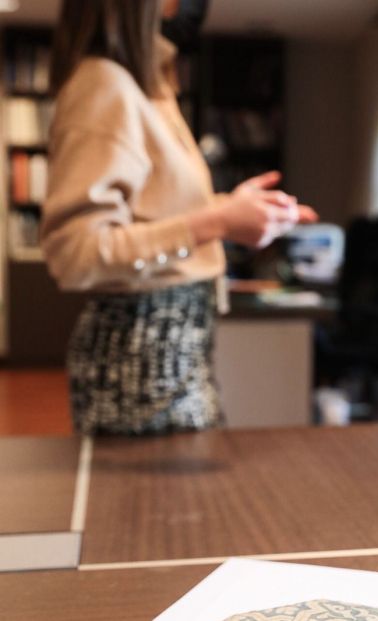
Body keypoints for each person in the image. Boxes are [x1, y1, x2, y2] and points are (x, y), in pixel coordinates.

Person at [41, 0, 317, 436]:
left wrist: (228, 209)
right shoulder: (103, 84)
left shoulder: (143, 86)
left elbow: (154, 210)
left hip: (172, 357)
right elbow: (74, 252)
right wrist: (218, 222)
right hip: (140, 366)